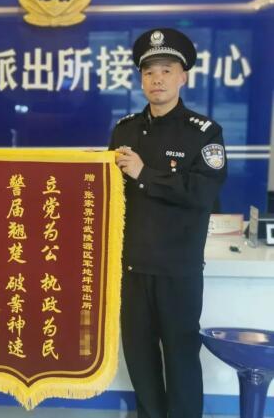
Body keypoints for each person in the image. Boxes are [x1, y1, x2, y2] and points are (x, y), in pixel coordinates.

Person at [109, 28, 227, 418]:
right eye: (149, 72)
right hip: (132, 269)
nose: (157, 79)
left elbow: (202, 193)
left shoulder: (204, 132)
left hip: (178, 269)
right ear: (140, 79)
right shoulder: (125, 130)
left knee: (180, 359)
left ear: (183, 77)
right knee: (139, 359)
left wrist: (145, 174)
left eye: (166, 70)